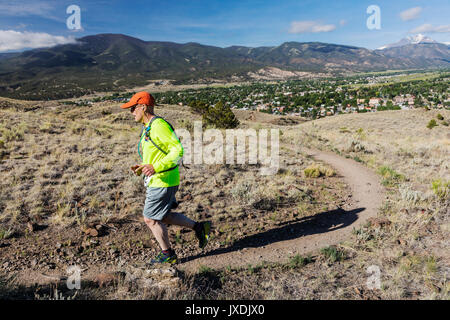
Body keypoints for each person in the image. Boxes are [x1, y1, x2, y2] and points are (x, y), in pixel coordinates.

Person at [120, 91, 211, 264]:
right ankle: (199, 227)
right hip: (160, 179)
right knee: (162, 215)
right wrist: (144, 167)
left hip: (163, 180)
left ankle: (168, 255)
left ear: (143, 107)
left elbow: (178, 151)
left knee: (150, 218)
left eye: (133, 108)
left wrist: (155, 167)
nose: (131, 112)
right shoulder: (148, 127)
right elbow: (158, 154)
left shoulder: (158, 125)